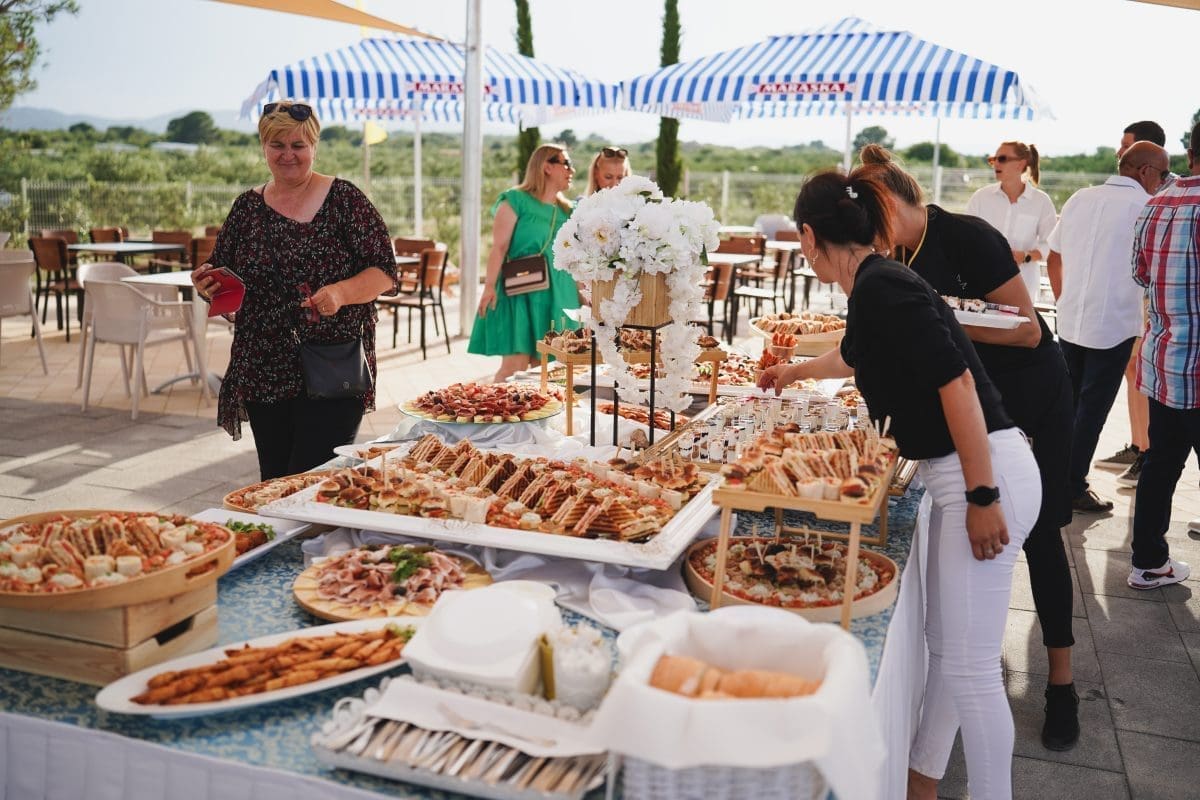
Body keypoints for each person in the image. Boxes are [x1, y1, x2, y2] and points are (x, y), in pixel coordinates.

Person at [759, 171, 1041, 800]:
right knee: (949, 653)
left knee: (972, 671)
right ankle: (921, 782)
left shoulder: (883, 286)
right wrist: (792, 372)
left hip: (983, 472)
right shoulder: (875, 283)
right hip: (967, 472)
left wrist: (983, 496)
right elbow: (854, 355)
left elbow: (957, 383)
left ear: (809, 236)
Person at [856, 145, 1080, 752]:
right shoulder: (896, 255)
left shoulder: (968, 235)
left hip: (1032, 394)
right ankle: (968, 666)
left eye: (867, 212)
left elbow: (1028, 329)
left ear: (888, 200)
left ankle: (1061, 683)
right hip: (974, 402)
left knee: (1041, 536)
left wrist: (938, 317)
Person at [191, 101, 396, 481]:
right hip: (263, 368)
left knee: (313, 481)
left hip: (331, 367)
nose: (288, 154)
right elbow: (226, 279)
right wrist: (209, 287)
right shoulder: (246, 208)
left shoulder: (345, 200)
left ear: (314, 146)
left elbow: (384, 271)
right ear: (264, 147)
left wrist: (340, 293)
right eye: (277, 145)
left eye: (298, 145)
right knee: (274, 481)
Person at [1047, 141, 1170, 513]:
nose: (1164, 181)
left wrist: (1064, 300)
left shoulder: (1079, 198)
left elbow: (1054, 256)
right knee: (1092, 409)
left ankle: (1052, 479)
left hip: (1071, 318)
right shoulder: (1147, 207)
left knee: (1066, 404)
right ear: (1145, 171)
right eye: (1163, 174)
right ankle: (1071, 486)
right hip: (1114, 323)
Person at [1127, 120, 1200, 590]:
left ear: (1190, 153)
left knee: (1160, 465)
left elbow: (1140, 274)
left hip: (1166, 361)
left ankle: (1149, 563)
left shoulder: (1155, 204)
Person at [469, 143, 580, 382]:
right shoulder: (515, 200)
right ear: (547, 167)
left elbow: (575, 258)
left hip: (559, 295)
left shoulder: (569, 211)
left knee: (551, 372)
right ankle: (496, 406)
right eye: (566, 164)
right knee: (514, 368)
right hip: (520, 290)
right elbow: (499, 247)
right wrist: (489, 286)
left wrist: (583, 296)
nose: (571, 170)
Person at [1096, 121, 1168, 485]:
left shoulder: (1157, 198)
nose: (1118, 153)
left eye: (1125, 147)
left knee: (1141, 372)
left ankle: (1147, 451)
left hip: (1148, 303)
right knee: (1132, 371)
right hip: (1131, 302)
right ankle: (1140, 444)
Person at [965, 141, 1058, 304]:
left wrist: (1026, 256)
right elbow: (965, 238)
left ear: (1021, 164)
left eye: (1002, 159)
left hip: (1023, 288)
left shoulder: (1041, 202)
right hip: (981, 284)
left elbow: (1050, 245)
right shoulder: (980, 198)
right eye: (993, 159)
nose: (996, 164)